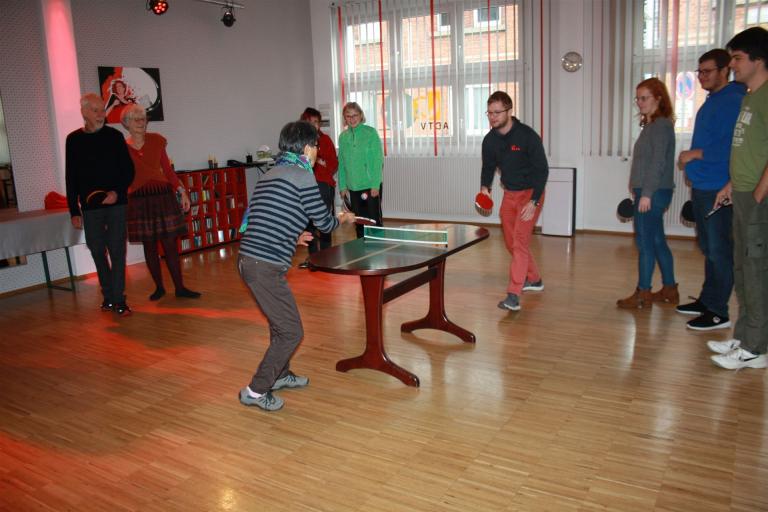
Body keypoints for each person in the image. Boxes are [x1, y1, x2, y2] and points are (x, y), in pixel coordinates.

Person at [237, 121, 356, 411]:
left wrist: (293, 234)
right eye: (315, 145)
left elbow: (265, 215)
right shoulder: (303, 175)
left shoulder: (272, 172)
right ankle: (255, 390)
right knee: (291, 331)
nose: (317, 151)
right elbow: (325, 223)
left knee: (280, 325)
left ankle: (280, 375)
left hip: (252, 260)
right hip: (262, 264)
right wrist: (343, 218)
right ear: (305, 148)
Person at [709, 27, 768, 370]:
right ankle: (745, 337)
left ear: (759, 60)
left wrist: (759, 190)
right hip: (742, 191)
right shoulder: (748, 96)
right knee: (743, 268)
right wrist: (733, 183)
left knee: (757, 270)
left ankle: (756, 348)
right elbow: (750, 149)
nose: (732, 65)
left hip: (758, 197)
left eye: (737, 58)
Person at [677, 49, 746, 331]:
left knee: (719, 251)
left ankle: (718, 312)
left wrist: (694, 155)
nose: (702, 76)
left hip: (718, 187)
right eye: (699, 72)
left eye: (707, 71)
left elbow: (732, 147)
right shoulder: (714, 100)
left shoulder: (732, 100)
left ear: (724, 70)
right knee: (708, 248)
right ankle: (707, 301)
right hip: (704, 185)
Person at [121, 104, 200, 301]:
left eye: (143, 118)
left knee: (170, 244)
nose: (141, 122)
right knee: (149, 246)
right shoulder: (121, 148)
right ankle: (159, 288)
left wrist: (182, 191)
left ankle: (180, 288)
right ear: (127, 123)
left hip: (162, 196)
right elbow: (121, 176)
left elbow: (168, 170)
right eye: (136, 119)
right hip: (139, 200)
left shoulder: (157, 140)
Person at [65, 93, 135, 315]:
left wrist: (116, 192)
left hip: (116, 203)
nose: (100, 114)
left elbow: (128, 171)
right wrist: (73, 210)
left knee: (117, 250)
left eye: (102, 110)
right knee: (96, 249)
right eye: (95, 110)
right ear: (84, 112)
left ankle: (119, 300)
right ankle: (109, 296)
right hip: (90, 207)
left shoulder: (114, 136)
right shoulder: (73, 140)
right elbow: (71, 177)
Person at [479, 91, 549, 312]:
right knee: (511, 243)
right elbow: (488, 167)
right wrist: (485, 189)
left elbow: (542, 170)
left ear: (509, 111)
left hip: (530, 194)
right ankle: (534, 279)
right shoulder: (489, 141)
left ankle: (513, 294)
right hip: (510, 194)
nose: (492, 117)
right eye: (489, 113)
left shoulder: (527, 136)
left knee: (519, 242)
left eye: (497, 112)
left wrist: (534, 201)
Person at [617, 78, 677, 309]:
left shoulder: (660, 126)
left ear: (658, 99)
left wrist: (647, 194)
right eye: (638, 99)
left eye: (644, 98)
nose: (640, 102)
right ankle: (670, 289)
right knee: (657, 241)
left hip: (652, 192)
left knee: (645, 243)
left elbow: (658, 163)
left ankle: (643, 293)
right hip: (650, 191)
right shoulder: (653, 126)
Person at [298, 107, 339, 268]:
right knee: (308, 223)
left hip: (323, 184)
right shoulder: (299, 141)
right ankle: (313, 258)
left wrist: (321, 161)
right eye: (310, 122)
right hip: (305, 184)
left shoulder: (326, 140)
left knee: (323, 222)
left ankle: (327, 258)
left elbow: (334, 164)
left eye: (316, 122)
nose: (313, 125)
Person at [337, 102, 384, 238]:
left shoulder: (370, 133)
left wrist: (375, 184)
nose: (352, 119)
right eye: (348, 116)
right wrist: (343, 186)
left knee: (373, 222)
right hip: (353, 187)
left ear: (361, 115)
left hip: (370, 186)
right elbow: (341, 164)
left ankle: (378, 249)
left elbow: (378, 160)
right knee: (358, 223)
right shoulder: (343, 137)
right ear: (345, 118)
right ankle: (361, 249)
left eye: (355, 115)